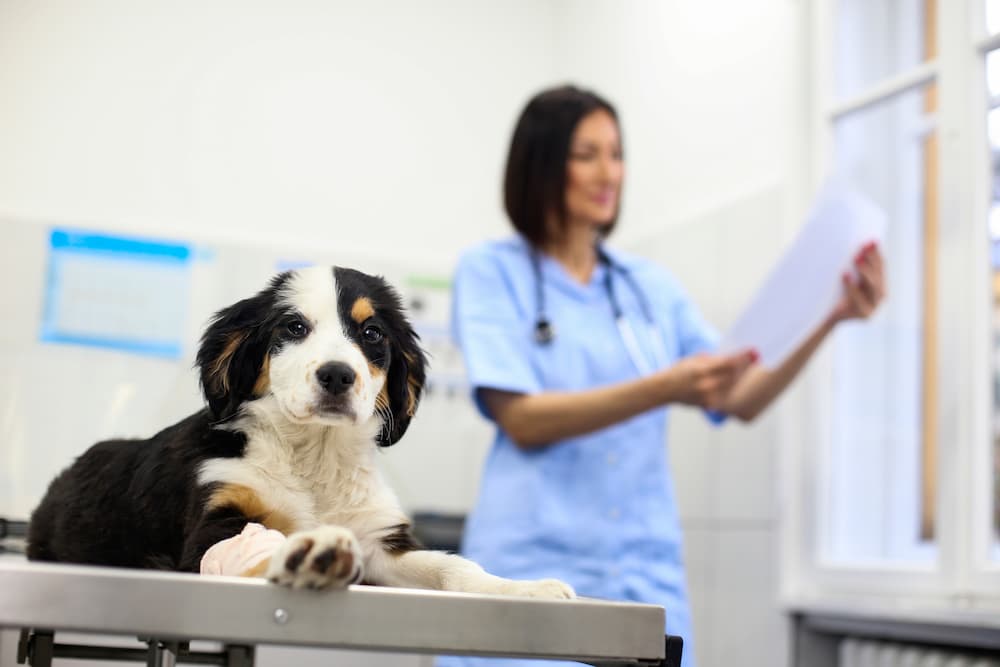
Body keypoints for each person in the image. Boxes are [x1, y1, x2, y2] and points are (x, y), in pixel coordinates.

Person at [441, 85, 885, 667]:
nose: (611, 173)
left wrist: (830, 317)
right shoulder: (490, 272)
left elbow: (738, 397)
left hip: (641, 576)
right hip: (528, 568)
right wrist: (665, 387)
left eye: (617, 153)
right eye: (587, 154)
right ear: (541, 164)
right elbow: (522, 418)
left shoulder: (648, 286)